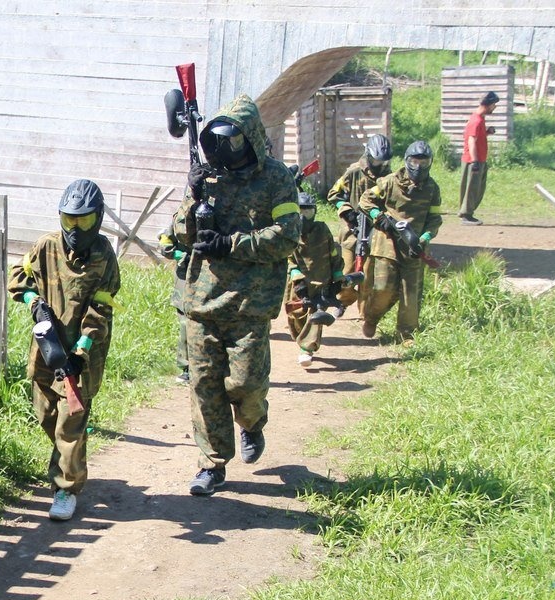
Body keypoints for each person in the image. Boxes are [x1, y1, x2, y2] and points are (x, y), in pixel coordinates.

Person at [160, 93, 300, 497]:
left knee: (245, 387)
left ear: (251, 139)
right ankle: (212, 463)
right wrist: (192, 195)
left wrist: (231, 244)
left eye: (233, 143)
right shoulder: (208, 178)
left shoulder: (275, 178)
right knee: (204, 386)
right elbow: (181, 234)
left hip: (249, 305)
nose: (225, 152)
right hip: (201, 302)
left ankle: (252, 424)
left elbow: (287, 236)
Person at [7, 179, 120, 522]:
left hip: (83, 356)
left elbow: (101, 310)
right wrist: (33, 301)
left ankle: (65, 488)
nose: (74, 228)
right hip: (45, 350)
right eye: (68, 219)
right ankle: (66, 466)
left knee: (70, 424)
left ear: (97, 219)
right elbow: (18, 276)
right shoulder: (46, 246)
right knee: (47, 416)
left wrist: (82, 349)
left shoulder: (104, 256)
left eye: (82, 220)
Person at [358, 140, 443, 345]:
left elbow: (435, 220)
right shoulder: (389, 182)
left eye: (424, 162)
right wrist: (380, 217)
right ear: (406, 161)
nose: (419, 167)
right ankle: (371, 317)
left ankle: (406, 334)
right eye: (414, 162)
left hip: (414, 244)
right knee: (384, 286)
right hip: (387, 239)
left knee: (410, 292)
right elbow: (365, 201)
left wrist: (424, 238)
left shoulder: (432, 188)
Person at [326, 133, 392, 312]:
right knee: (346, 272)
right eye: (378, 162)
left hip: (375, 231)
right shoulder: (354, 171)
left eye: (384, 162)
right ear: (369, 156)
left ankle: (365, 313)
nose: (381, 166)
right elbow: (334, 193)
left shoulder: (389, 178)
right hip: (351, 230)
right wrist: (346, 211)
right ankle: (343, 301)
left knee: (368, 276)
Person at [284, 193, 347, 368]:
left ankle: (307, 349)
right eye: (300, 212)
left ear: (315, 212)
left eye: (308, 212)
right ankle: (301, 339)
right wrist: (296, 275)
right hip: (297, 282)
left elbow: (333, 252)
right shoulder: (289, 230)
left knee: (316, 314)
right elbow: (286, 257)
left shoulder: (322, 229)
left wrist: (337, 274)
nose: (304, 217)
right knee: (296, 316)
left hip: (321, 279)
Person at [458, 91, 499, 225]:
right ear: (488, 104)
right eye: (494, 105)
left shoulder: (479, 119)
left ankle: (467, 213)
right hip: (473, 160)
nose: (495, 107)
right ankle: (466, 215)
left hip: (477, 159)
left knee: (476, 189)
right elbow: (471, 141)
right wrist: (475, 162)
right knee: (472, 189)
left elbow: (477, 137)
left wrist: (487, 133)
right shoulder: (476, 121)